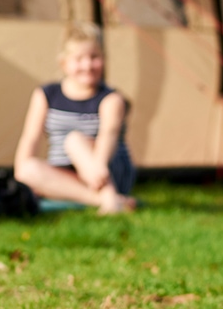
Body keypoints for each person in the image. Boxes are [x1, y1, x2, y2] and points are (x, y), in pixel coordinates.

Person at [13, 22, 137, 215]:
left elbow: (109, 134)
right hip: (66, 175)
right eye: (79, 59)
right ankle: (105, 200)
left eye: (94, 58)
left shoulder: (111, 99)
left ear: (103, 60)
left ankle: (109, 193)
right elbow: (30, 136)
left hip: (104, 171)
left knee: (74, 140)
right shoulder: (46, 94)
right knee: (27, 168)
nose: (87, 65)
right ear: (64, 63)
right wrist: (21, 174)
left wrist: (99, 164)